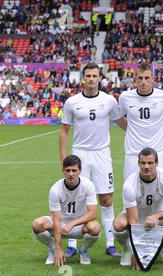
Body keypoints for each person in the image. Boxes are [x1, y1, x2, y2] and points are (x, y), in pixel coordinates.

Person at [59, 62, 127, 258]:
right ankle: (72, 243)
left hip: (101, 154)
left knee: (106, 199)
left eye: (94, 76)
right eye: (87, 76)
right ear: (83, 78)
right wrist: (64, 158)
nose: (91, 79)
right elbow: (64, 130)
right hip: (79, 154)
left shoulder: (109, 101)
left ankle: (110, 243)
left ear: (100, 78)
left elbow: (123, 124)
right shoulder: (72, 102)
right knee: (76, 198)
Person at [112, 147, 163, 268]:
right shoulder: (129, 185)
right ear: (138, 163)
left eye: (150, 163)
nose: (146, 166)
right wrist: (136, 252)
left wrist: (156, 216)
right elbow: (133, 220)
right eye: (143, 163)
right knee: (118, 224)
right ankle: (128, 250)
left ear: (157, 163)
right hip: (135, 217)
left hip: (158, 219)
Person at [32, 155, 101, 266]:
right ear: (63, 170)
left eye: (74, 170)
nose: (71, 174)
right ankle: (53, 250)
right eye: (67, 170)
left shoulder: (88, 185)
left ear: (80, 171)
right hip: (60, 224)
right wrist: (58, 248)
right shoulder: (55, 189)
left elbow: (92, 214)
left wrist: (72, 224)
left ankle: (83, 250)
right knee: (37, 224)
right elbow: (56, 220)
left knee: (95, 227)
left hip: (80, 225)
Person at [118, 63, 163, 181]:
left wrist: (160, 128)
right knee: (131, 192)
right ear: (135, 79)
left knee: (158, 191)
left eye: (147, 78)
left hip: (157, 152)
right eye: (140, 78)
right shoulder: (125, 97)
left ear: (153, 79)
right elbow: (119, 117)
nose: (144, 81)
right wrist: (130, 129)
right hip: (133, 153)